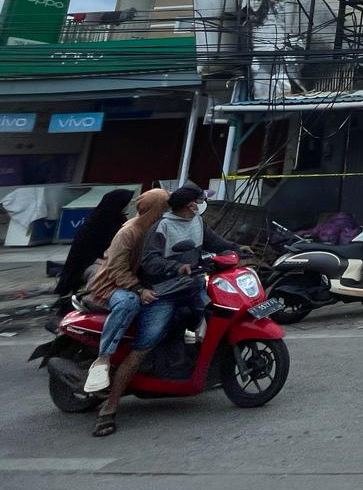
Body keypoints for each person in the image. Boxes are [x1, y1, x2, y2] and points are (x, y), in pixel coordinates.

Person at [82, 188, 170, 438]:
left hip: (144, 283)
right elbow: (118, 270)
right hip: (111, 286)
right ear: (154, 210)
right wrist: (139, 289)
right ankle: (104, 361)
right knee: (129, 303)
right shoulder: (129, 232)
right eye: (164, 206)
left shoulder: (160, 228)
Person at [141, 184, 238, 341]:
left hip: (193, 284)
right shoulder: (162, 226)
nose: (202, 204)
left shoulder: (198, 221)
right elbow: (149, 260)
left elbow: (215, 243)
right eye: (200, 200)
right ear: (192, 205)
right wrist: (177, 267)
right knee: (150, 337)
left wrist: (238, 249)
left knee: (216, 319)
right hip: (166, 291)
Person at [55, 189, 134, 298]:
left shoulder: (120, 219)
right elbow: (83, 254)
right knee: (104, 277)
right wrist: (105, 261)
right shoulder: (93, 225)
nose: (128, 206)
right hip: (88, 263)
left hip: (111, 259)